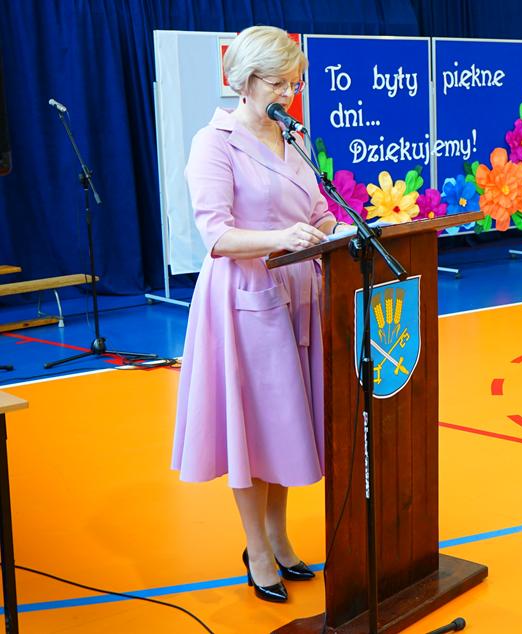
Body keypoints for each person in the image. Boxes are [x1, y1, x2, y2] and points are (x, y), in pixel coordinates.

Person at [171, 25, 346, 603]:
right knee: (253, 426)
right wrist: (280, 238)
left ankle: (279, 536)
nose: (288, 95)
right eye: (278, 83)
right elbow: (216, 236)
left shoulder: (295, 137)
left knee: (286, 422)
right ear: (244, 81)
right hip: (246, 298)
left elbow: (317, 213)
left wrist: (341, 230)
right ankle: (258, 550)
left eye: (295, 83)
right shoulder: (213, 142)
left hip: (301, 293)